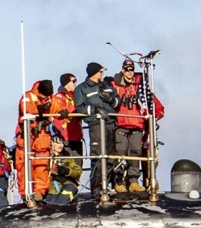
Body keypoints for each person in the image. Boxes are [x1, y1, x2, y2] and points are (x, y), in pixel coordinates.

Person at [109, 58, 165, 194]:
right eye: (127, 70)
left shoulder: (140, 86)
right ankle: (119, 181)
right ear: (123, 70)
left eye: (131, 70)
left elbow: (153, 104)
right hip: (121, 125)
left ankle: (133, 181)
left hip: (137, 125)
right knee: (120, 153)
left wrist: (153, 116)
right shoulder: (114, 86)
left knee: (135, 153)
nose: (129, 72)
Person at [74, 62, 118, 193]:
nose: (102, 74)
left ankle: (108, 184)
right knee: (98, 156)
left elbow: (117, 101)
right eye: (100, 72)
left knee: (111, 157)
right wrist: (95, 109)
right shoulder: (81, 89)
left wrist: (110, 99)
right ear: (94, 73)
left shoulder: (106, 85)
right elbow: (79, 109)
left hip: (110, 123)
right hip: (96, 125)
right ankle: (97, 188)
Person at [12, 120, 55, 206]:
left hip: (41, 144)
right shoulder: (25, 113)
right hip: (25, 145)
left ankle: (38, 194)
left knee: (41, 169)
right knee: (24, 170)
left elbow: (57, 109)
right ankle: (26, 195)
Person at [48, 72, 84, 157]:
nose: (76, 83)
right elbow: (61, 111)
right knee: (64, 167)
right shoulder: (57, 97)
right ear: (66, 83)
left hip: (77, 137)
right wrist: (78, 107)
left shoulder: (77, 97)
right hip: (64, 138)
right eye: (73, 81)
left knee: (77, 167)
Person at [47, 135, 82, 203]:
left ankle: (60, 204)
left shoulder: (67, 156)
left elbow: (78, 172)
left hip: (67, 183)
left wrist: (67, 171)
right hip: (50, 186)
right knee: (50, 198)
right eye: (58, 143)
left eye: (62, 143)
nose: (61, 145)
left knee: (67, 193)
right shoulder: (46, 157)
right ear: (51, 143)